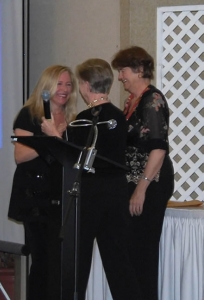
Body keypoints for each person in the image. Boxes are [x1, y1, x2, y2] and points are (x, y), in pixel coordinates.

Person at [70, 58, 143, 300]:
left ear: (85, 85)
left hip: (89, 196)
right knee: (118, 261)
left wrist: (55, 134)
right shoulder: (120, 118)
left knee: (78, 262)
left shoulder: (80, 120)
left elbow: (73, 159)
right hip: (116, 194)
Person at [8, 65, 77, 300]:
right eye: (59, 84)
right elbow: (20, 156)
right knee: (42, 262)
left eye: (68, 84)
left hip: (62, 199)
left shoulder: (72, 119)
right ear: (47, 87)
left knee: (59, 263)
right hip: (35, 199)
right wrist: (50, 138)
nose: (65, 89)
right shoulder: (30, 114)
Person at [111, 46, 175, 300]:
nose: (120, 77)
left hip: (150, 183)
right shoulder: (133, 101)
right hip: (135, 182)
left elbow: (158, 150)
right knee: (131, 252)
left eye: (123, 70)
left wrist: (140, 188)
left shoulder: (153, 100)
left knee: (142, 252)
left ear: (138, 70)